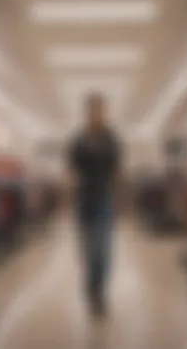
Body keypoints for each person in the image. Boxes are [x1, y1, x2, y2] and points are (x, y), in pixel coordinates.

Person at [68, 92, 121, 317]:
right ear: (87, 113)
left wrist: (118, 201)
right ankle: (91, 290)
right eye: (92, 110)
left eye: (100, 110)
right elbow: (72, 173)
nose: (96, 114)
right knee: (87, 250)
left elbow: (117, 172)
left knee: (103, 249)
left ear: (104, 112)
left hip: (104, 200)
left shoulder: (112, 139)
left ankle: (99, 291)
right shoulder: (77, 140)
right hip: (83, 201)